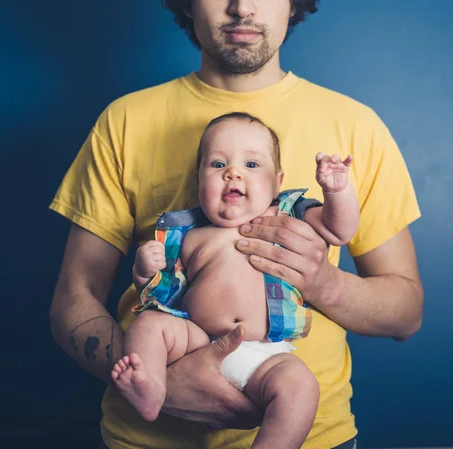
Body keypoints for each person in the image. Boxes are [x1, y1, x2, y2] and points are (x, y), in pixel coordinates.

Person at [48, 1, 424, 448]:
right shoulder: (124, 121)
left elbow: (406, 315)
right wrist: (163, 382)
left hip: (313, 432)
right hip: (146, 437)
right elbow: (73, 299)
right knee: (151, 327)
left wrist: (323, 283)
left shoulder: (355, 128)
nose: (241, 6)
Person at [110, 111, 359, 449]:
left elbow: (337, 229)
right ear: (198, 178)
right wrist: (143, 269)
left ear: (278, 181)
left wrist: (337, 191)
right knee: (149, 324)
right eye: (217, 165)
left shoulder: (287, 216)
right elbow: (160, 292)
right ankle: (151, 388)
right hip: (194, 341)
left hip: (262, 354)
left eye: (252, 165)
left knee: (300, 386)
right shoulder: (188, 235)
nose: (233, 173)